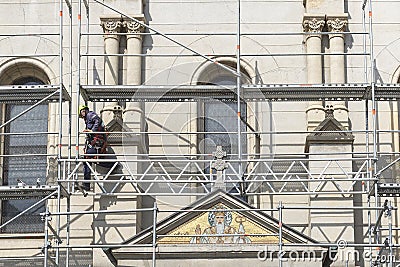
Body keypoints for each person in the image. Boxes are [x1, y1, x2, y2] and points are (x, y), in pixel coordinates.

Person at [78, 105, 107, 191]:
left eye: (82, 113)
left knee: (87, 159)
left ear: (84, 111)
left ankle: (86, 184)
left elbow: (98, 120)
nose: (82, 116)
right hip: (95, 143)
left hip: (97, 143)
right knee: (89, 160)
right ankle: (86, 184)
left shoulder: (90, 115)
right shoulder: (88, 119)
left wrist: (92, 130)